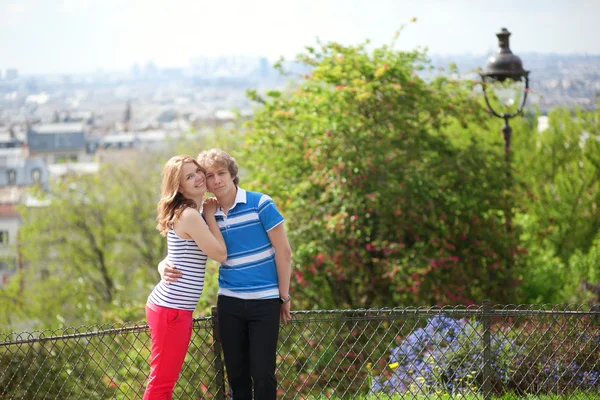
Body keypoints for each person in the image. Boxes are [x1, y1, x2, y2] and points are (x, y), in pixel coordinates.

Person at [159, 148, 292, 400]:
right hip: (229, 303)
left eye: (221, 173)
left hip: (265, 301)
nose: (216, 180)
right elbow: (181, 247)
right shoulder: (206, 215)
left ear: (232, 174)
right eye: (209, 175)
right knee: (236, 376)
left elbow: (283, 252)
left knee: (263, 374)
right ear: (205, 182)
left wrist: (283, 296)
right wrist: (162, 266)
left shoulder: (260, 203)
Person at [144, 155, 228, 400]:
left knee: (164, 381)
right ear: (179, 187)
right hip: (171, 310)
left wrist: (162, 266)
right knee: (161, 383)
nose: (198, 178)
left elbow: (174, 255)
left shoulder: (190, 212)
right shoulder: (191, 215)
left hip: (173, 309)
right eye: (189, 177)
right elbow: (220, 254)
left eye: (197, 171)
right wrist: (211, 215)